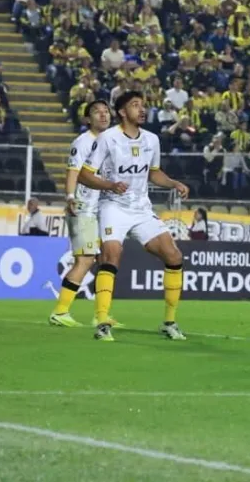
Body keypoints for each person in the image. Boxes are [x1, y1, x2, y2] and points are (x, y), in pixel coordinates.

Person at [78, 91, 190, 343]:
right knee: (112, 254)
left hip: (141, 208)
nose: (142, 110)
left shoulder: (151, 140)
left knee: (174, 256)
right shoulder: (108, 138)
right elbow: (85, 175)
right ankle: (102, 321)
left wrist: (173, 183)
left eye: (143, 105)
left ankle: (170, 322)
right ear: (122, 112)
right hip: (112, 206)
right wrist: (109, 185)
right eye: (135, 105)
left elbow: (154, 173)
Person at [49, 100, 120, 328]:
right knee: (85, 259)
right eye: (97, 112)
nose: (103, 115)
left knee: (104, 259)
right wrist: (70, 198)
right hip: (84, 208)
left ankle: (101, 315)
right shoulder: (83, 142)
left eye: (106, 111)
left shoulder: (110, 142)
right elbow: (73, 172)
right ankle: (60, 311)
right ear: (87, 119)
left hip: (102, 210)